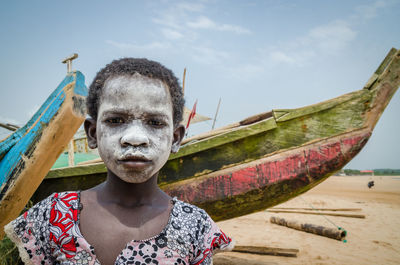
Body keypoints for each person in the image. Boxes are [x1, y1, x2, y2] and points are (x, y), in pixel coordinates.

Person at [4, 58, 233, 265]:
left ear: (175, 139)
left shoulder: (195, 226)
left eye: (154, 123)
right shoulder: (53, 214)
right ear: (93, 133)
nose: (135, 138)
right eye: (115, 120)